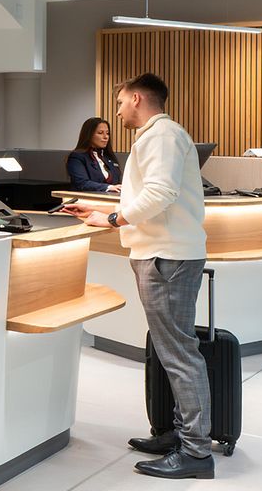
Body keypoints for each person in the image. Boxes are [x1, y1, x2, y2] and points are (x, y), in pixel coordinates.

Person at [63, 73, 212, 480]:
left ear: (137, 99)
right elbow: (151, 193)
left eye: (120, 102)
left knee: (180, 354)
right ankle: (178, 434)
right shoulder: (160, 136)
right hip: (163, 252)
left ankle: (196, 451)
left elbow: (161, 193)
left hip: (167, 257)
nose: (117, 112)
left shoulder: (162, 136)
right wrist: (106, 211)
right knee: (171, 351)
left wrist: (113, 219)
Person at [66, 116, 124, 193]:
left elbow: (117, 182)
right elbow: (82, 183)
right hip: (86, 198)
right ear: (89, 135)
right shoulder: (77, 157)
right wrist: (109, 187)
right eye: (100, 133)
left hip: (112, 198)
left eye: (107, 133)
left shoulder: (109, 157)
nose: (105, 137)